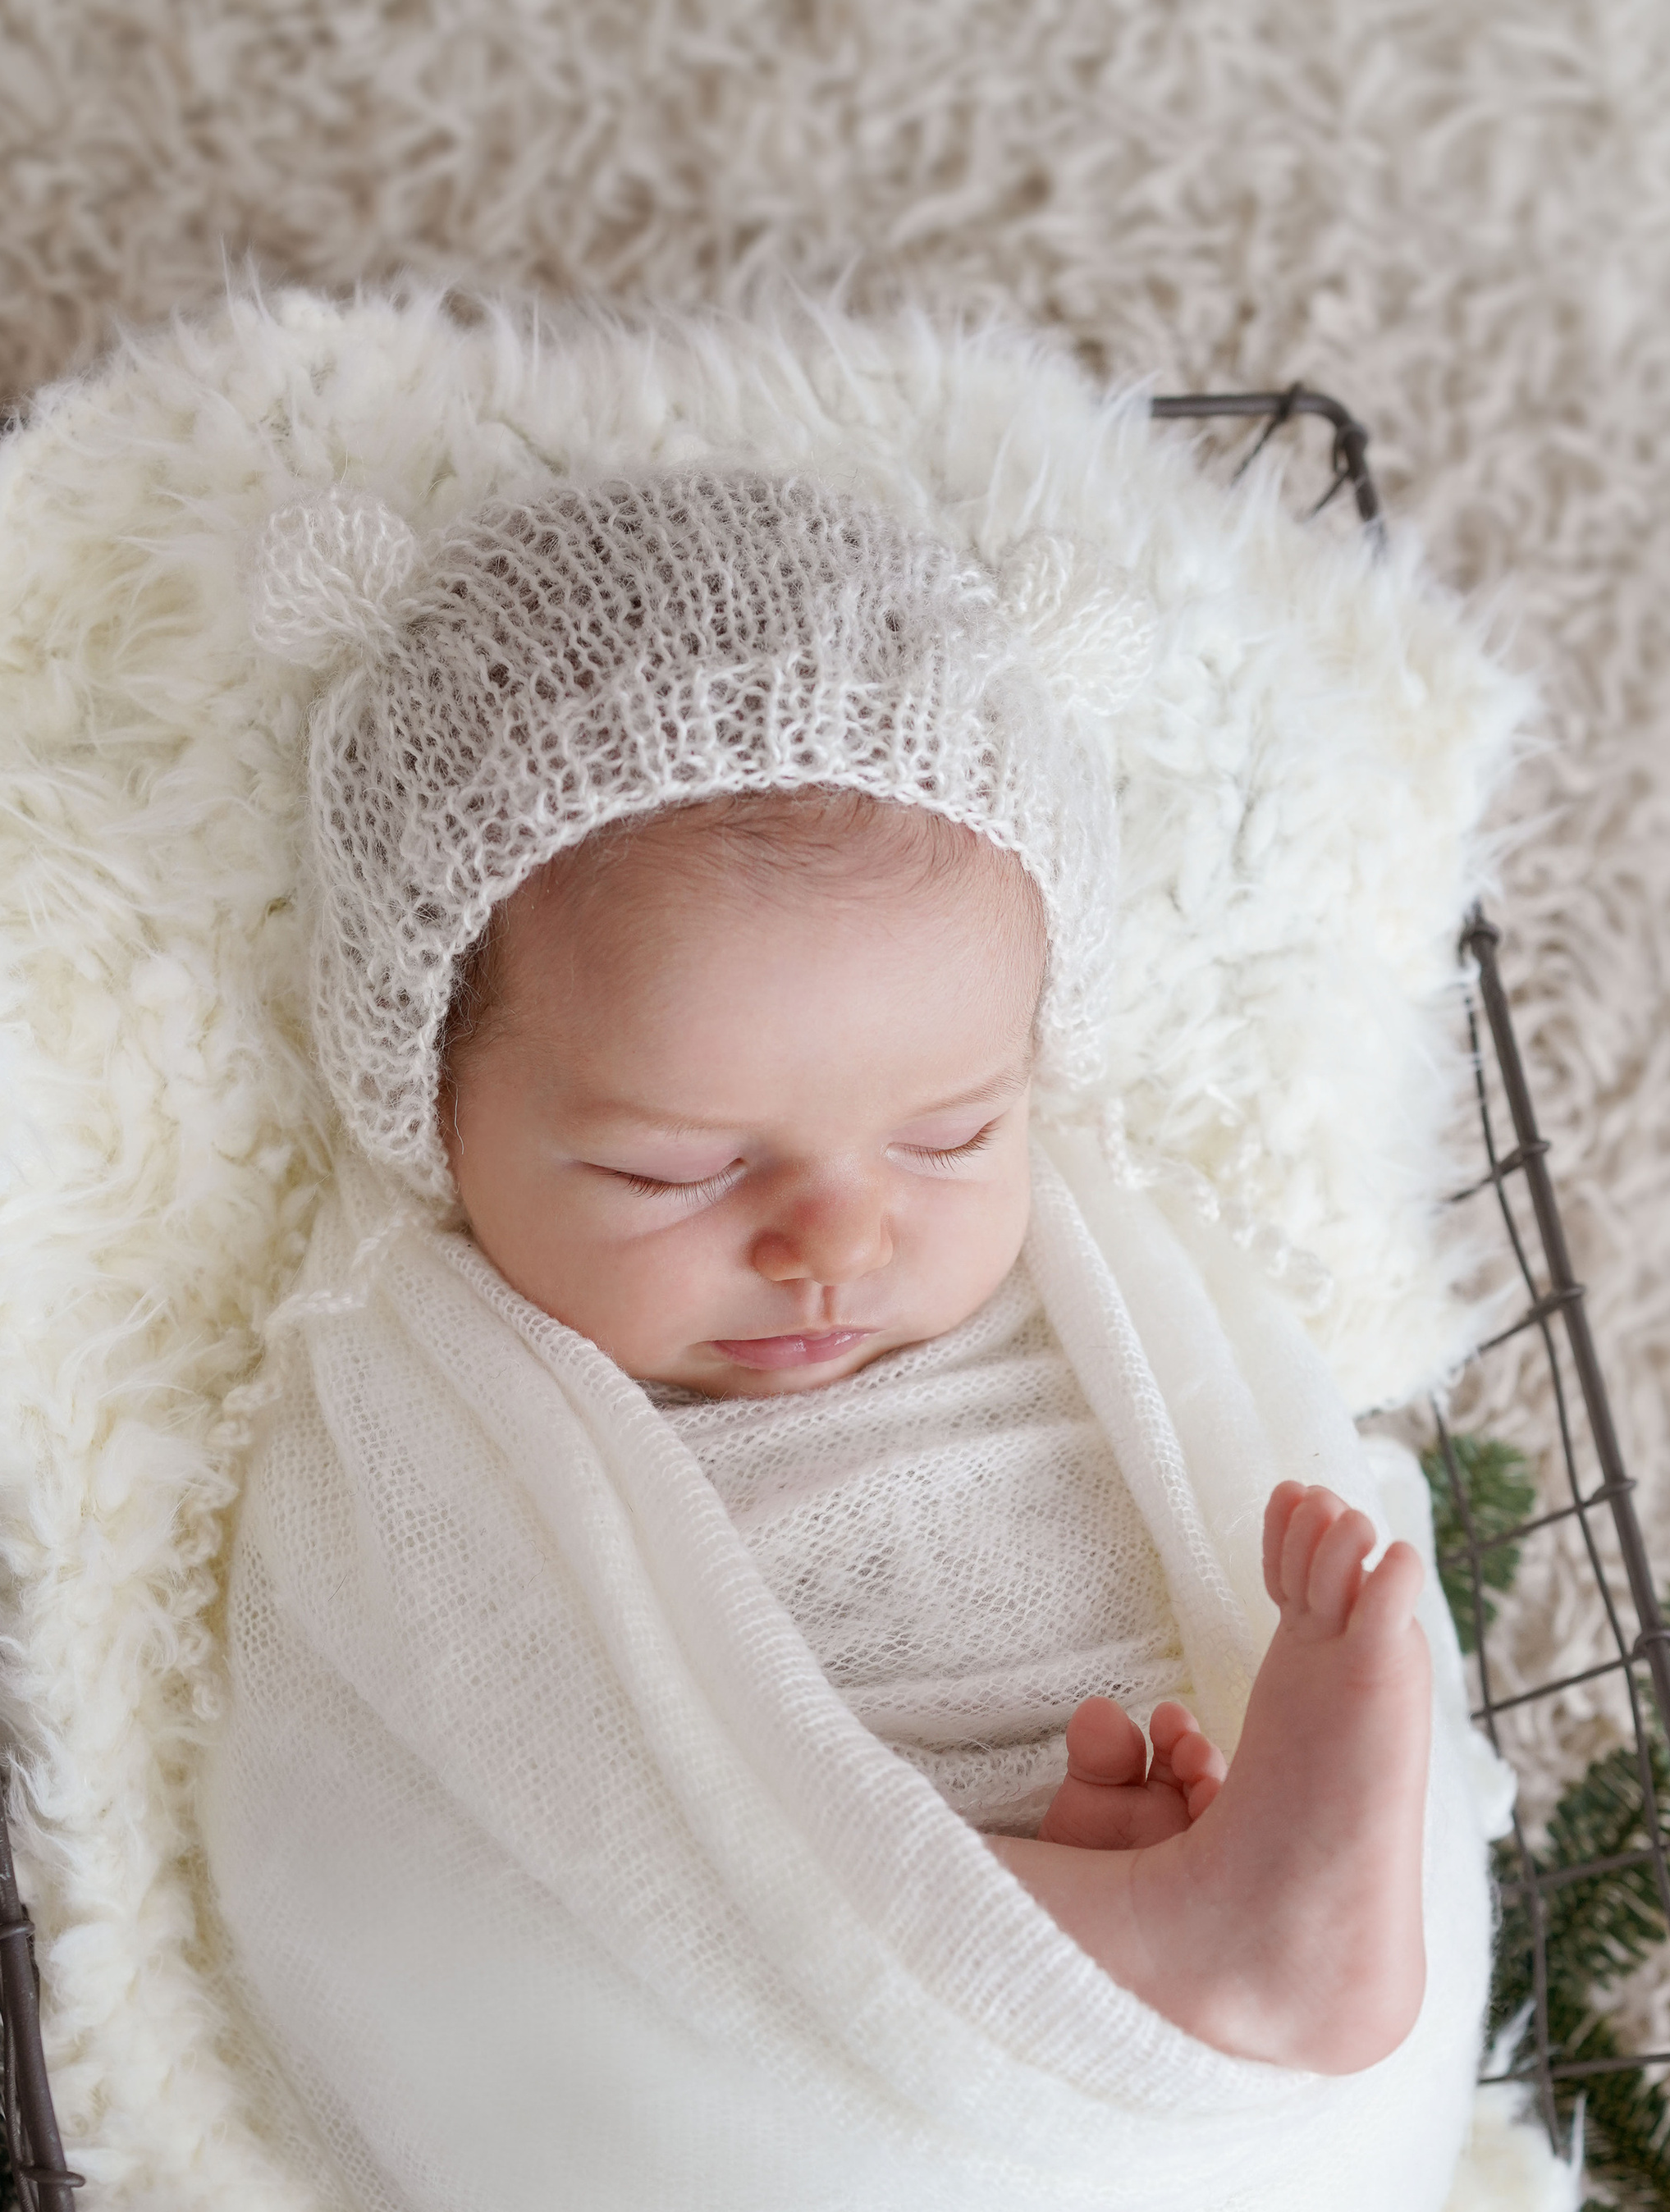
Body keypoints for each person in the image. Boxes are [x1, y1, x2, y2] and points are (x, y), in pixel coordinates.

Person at [432, 779, 1431, 2077]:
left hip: (1180, 2110)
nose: (839, 1245)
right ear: (442, 1117)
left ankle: (1125, 1923)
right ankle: (1155, 1934)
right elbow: (476, 1812)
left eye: (950, 1139)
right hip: (705, 2108)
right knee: (602, 1878)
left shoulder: (1091, 1324)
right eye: (674, 1171)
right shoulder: (440, 1408)